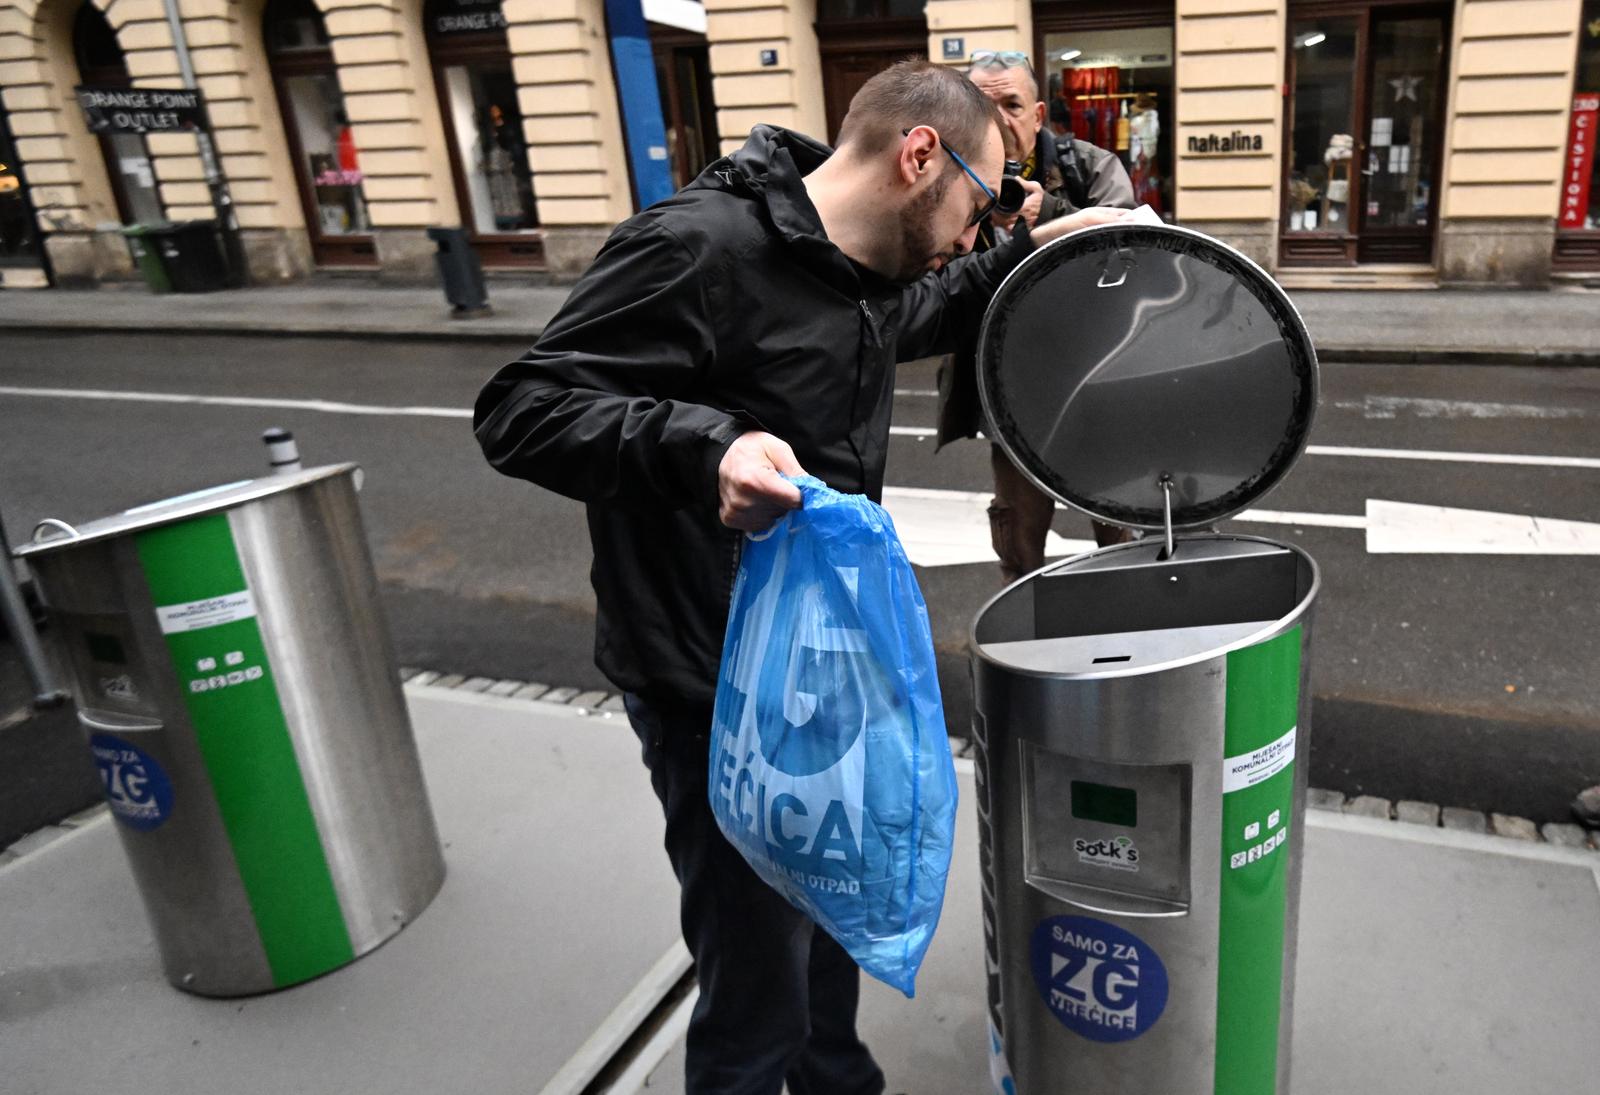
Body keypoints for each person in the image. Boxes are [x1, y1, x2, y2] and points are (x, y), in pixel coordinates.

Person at [473, 59, 1122, 1095]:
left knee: (829, 911)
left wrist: (1031, 256)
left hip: (816, 668)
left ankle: (838, 1082)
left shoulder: (858, 269)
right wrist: (706, 450)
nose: (980, 225)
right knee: (753, 976)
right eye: (984, 198)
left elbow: (922, 312)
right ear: (921, 156)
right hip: (710, 682)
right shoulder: (695, 248)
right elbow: (523, 409)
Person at [938, 49, 1138, 582]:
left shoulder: (1090, 167)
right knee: (1020, 547)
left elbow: (1131, 251)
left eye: (1011, 103)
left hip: (1098, 387)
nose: (999, 117)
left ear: (1038, 113)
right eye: (982, 104)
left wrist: (1042, 213)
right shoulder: (950, 177)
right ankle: (1025, 649)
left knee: (1120, 536)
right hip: (1011, 395)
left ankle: (1129, 645)